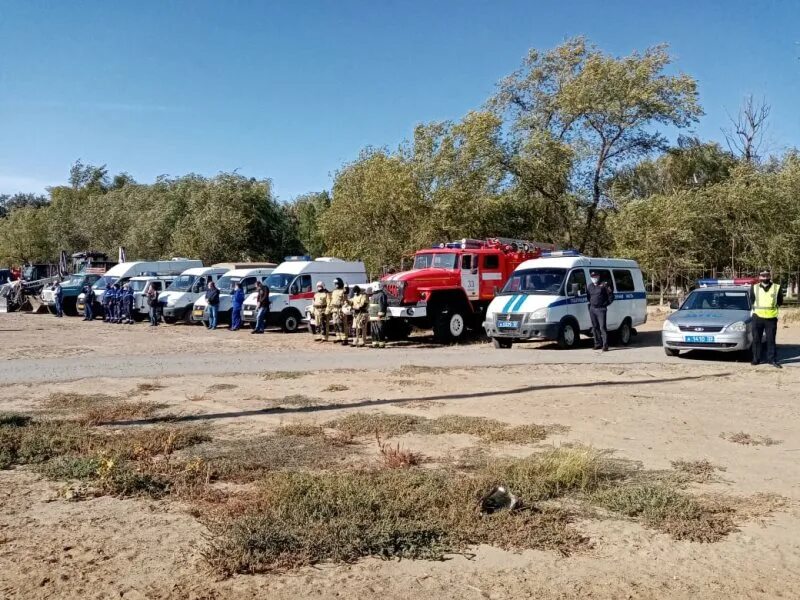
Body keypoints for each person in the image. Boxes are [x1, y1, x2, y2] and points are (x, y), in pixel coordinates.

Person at [750, 270, 784, 368]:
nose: (765, 278)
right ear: (759, 277)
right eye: (763, 276)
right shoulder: (754, 287)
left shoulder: (776, 287)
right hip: (757, 317)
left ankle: (772, 359)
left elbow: (780, 301)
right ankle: (756, 359)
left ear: (770, 276)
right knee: (756, 339)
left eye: (767, 275)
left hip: (771, 318)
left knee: (771, 340)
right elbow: (752, 300)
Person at [586, 271, 614, 352]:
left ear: (599, 277)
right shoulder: (590, 286)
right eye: (593, 277)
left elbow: (611, 296)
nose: (594, 278)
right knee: (594, 327)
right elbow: (588, 297)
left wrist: (606, 304)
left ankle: (605, 346)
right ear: (591, 278)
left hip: (601, 309)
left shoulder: (604, 285)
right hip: (592, 309)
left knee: (602, 327)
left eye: (596, 277)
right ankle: (597, 344)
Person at [328, 278, 349, 344]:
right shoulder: (334, 291)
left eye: (337, 283)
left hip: (340, 309)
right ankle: (338, 337)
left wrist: (346, 287)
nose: (336, 285)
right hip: (334, 310)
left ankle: (344, 339)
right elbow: (332, 300)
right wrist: (330, 309)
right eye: (335, 284)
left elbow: (346, 297)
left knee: (341, 324)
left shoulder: (343, 291)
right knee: (335, 324)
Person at [368, 281, 388, 348]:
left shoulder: (381, 295)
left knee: (380, 329)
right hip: (373, 316)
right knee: (373, 330)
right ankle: (375, 343)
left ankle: (381, 344)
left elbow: (382, 306)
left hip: (378, 316)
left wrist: (380, 315)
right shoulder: (374, 295)